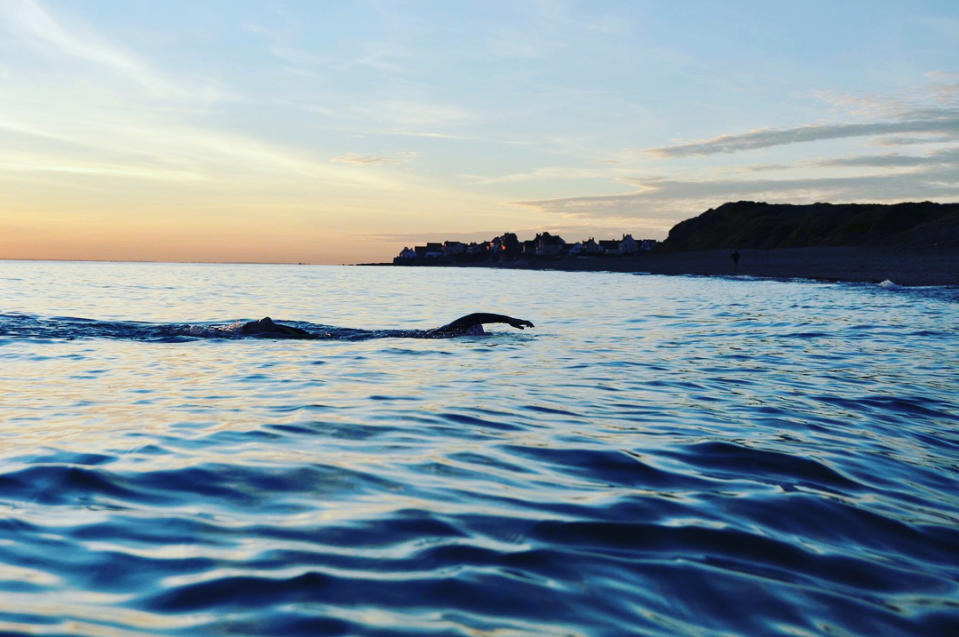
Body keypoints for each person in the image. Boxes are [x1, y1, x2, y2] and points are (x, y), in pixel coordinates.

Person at [240, 313, 534, 339]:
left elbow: (471, 318)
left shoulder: (436, 336)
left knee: (314, 338)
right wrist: (508, 320)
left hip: (380, 336)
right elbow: (470, 318)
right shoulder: (441, 336)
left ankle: (271, 329)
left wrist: (507, 320)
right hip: (378, 336)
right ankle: (271, 329)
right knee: (312, 339)